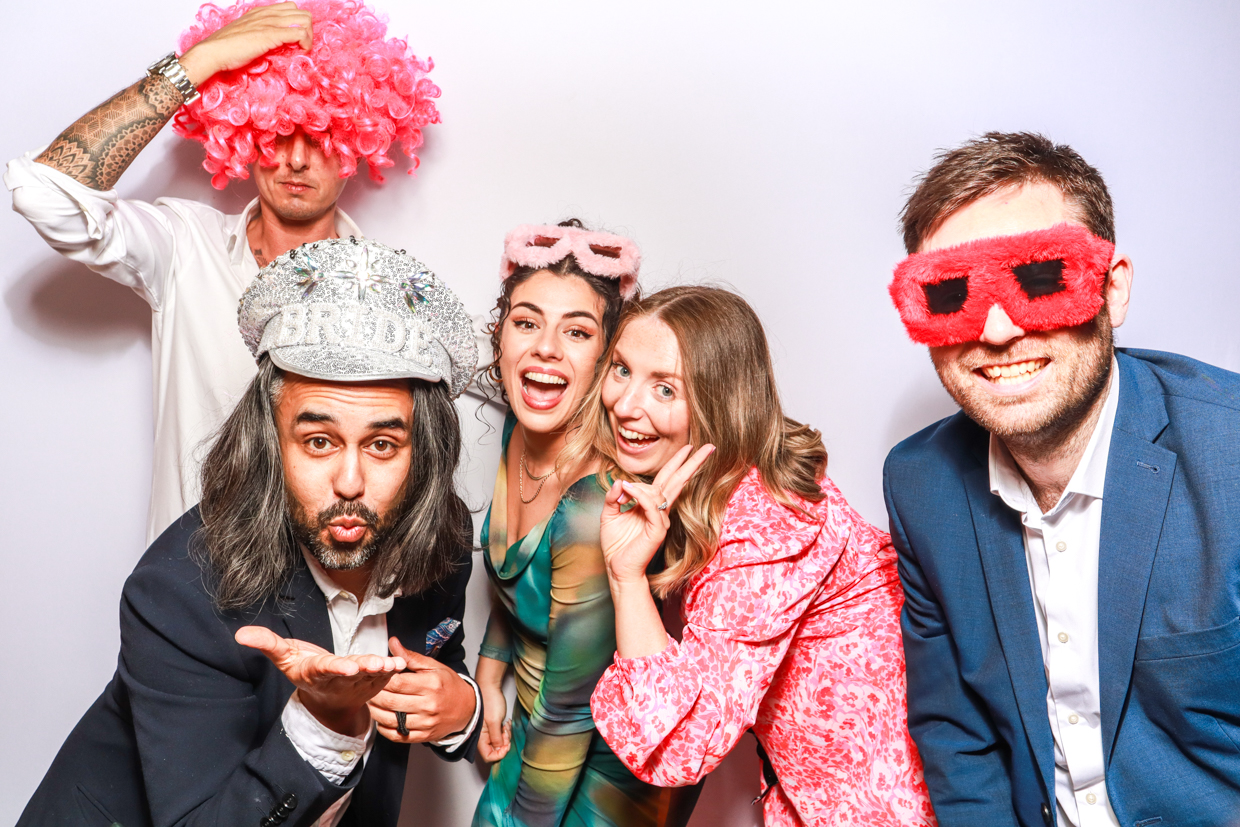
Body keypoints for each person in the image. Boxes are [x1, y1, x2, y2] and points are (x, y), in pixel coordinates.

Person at [17, 238, 480, 827]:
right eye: (318, 442)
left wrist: (462, 708)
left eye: (383, 445)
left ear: (426, 455)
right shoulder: (178, 591)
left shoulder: (442, 534)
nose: (349, 481)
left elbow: (442, 657)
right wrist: (323, 719)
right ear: (269, 444)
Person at [883, 131, 1240, 827]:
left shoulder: (1230, 454)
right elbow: (958, 737)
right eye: (953, 292)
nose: (995, 330)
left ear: (1112, 288)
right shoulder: (920, 484)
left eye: (1040, 279)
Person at [5, 0, 441, 543]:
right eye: (278, 130)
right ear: (247, 133)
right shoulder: (184, 246)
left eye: (323, 135)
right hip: (187, 593)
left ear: (357, 141)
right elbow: (45, 195)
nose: (297, 160)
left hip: (329, 597)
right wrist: (193, 67)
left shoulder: (388, 291)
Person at [583, 286, 936, 827]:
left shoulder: (764, 522)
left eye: (665, 388)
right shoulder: (728, 487)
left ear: (720, 401)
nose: (627, 406)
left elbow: (680, 748)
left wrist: (625, 576)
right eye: (622, 370)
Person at [471, 221, 699, 827]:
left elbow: (568, 718)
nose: (546, 348)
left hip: (595, 776)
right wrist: (490, 674)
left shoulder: (593, 506)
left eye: (577, 331)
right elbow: (520, 581)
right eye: (527, 322)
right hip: (536, 729)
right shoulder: (523, 429)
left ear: (605, 359)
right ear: (502, 337)